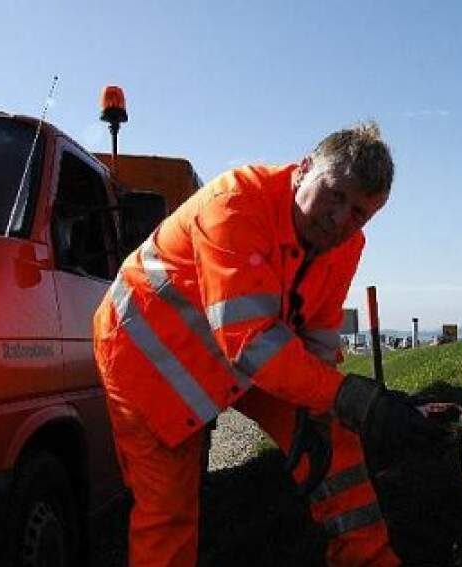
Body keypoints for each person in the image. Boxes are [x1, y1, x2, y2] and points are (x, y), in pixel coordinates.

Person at [94, 122, 443, 567]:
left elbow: (315, 334)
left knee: (337, 439)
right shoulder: (236, 203)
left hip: (249, 350)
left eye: (358, 212)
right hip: (146, 357)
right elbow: (251, 343)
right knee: (169, 513)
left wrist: (324, 411)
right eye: (334, 195)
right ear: (304, 169)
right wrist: (357, 399)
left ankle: (369, 559)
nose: (339, 221)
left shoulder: (347, 245)